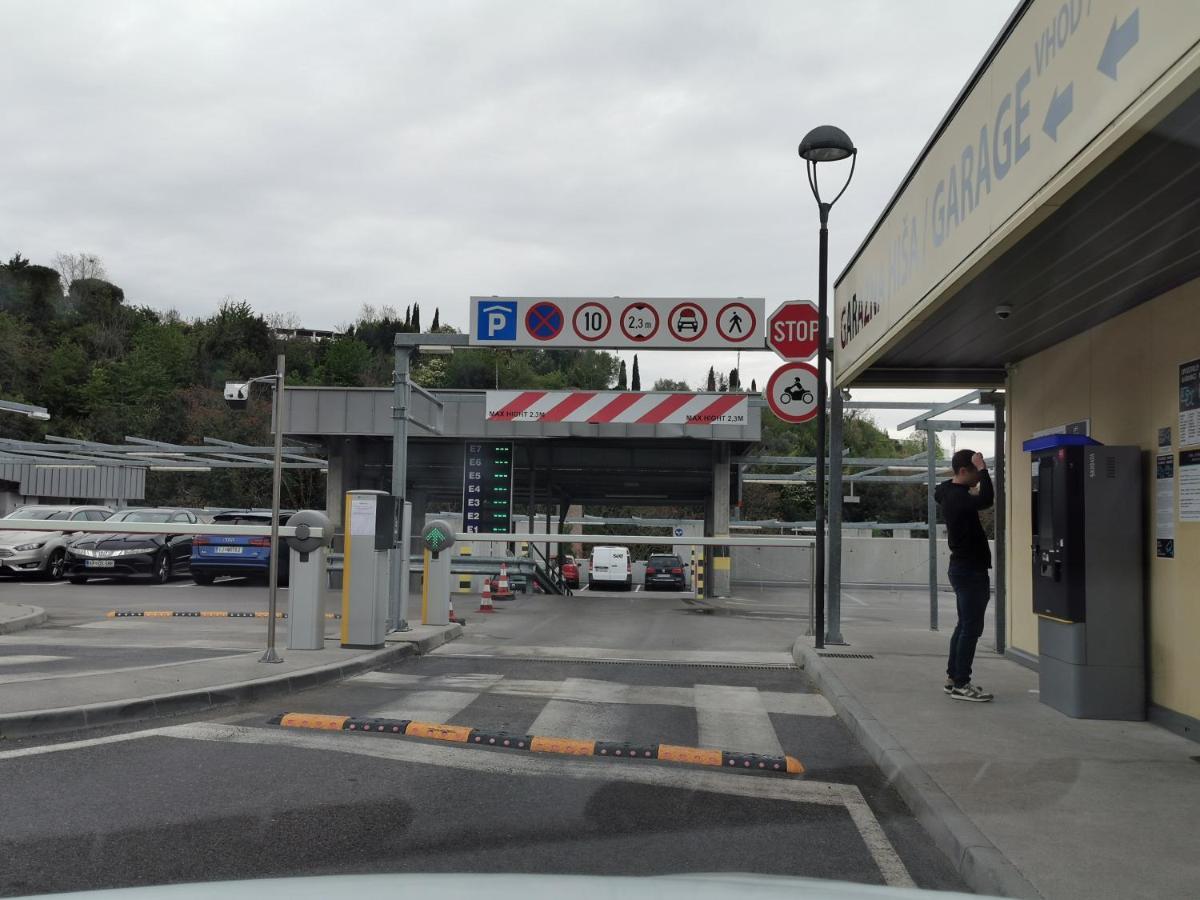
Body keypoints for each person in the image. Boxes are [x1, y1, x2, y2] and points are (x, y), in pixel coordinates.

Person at [934, 449, 995, 702]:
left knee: (964, 626)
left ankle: (953, 678)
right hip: (969, 569)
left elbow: (949, 485)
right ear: (963, 472)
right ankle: (961, 683)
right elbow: (987, 500)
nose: (978, 478)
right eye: (974, 472)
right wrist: (984, 468)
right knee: (971, 627)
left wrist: (977, 466)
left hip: (962, 567)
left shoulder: (948, 491)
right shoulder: (958, 497)